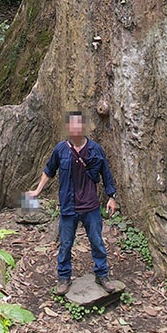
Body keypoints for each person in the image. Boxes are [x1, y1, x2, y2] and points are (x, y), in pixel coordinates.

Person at [29, 111, 122, 295]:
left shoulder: (95, 149)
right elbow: (49, 170)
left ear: (84, 127)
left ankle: (102, 274)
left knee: (97, 242)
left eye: (79, 124)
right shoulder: (60, 150)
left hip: (91, 206)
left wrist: (112, 197)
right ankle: (64, 278)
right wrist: (38, 190)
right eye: (72, 125)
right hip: (68, 206)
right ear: (68, 128)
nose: (76, 128)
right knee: (65, 244)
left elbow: (106, 173)